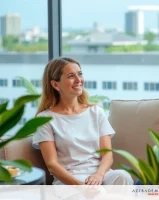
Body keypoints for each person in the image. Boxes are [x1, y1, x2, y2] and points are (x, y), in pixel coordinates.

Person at [32, 57, 133, 185]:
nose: (79, 80)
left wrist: (98, 176)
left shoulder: (96, 112)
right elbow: (52, 164)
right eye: (70, 76)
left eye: (80, 74)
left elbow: (107, 155)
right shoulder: (44, 119)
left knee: (122, 176)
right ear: (55, 84)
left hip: (99, 175)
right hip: (70, 180)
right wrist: (81, 187)